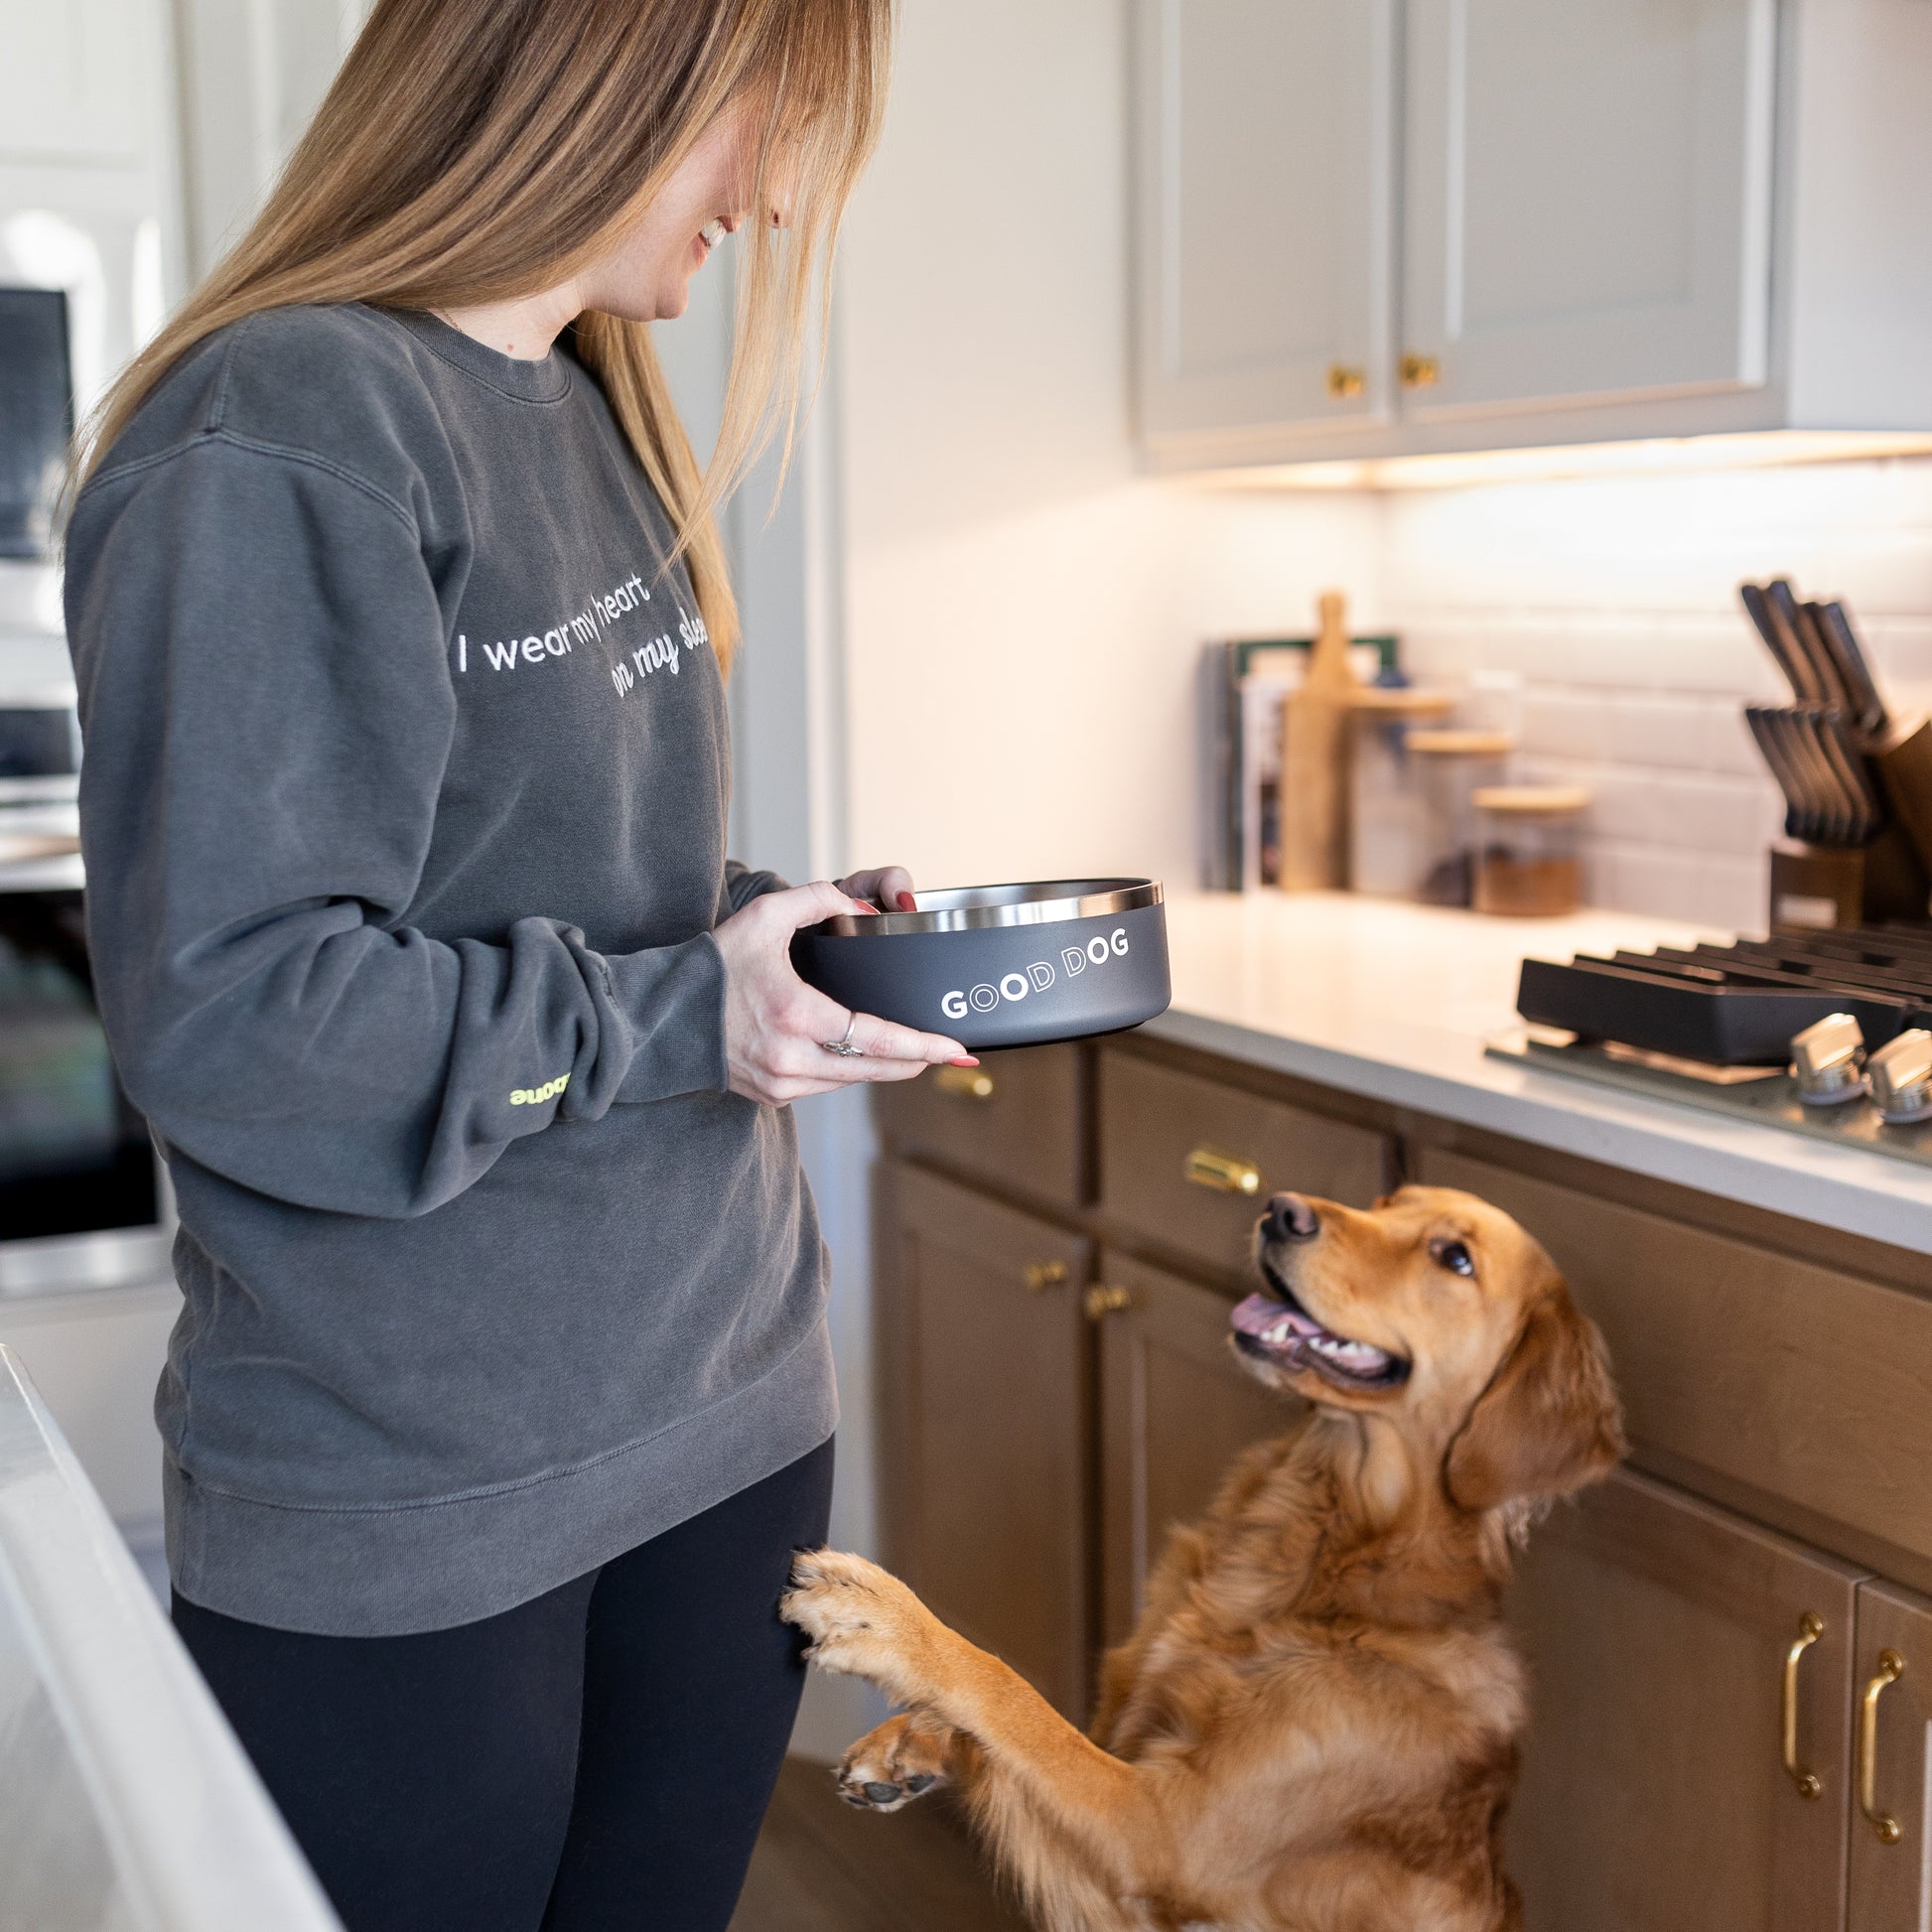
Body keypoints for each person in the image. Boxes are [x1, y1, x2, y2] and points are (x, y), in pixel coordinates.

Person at [62, 3, 956, 1927]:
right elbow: (237, 1018)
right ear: (594, 78)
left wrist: (781, 944)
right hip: (422, 1476)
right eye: (763, 123)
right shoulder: (284, 427)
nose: (780, 197)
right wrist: (674, 1007)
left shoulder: (578, 393)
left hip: (726, 1394)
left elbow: (549, 867)